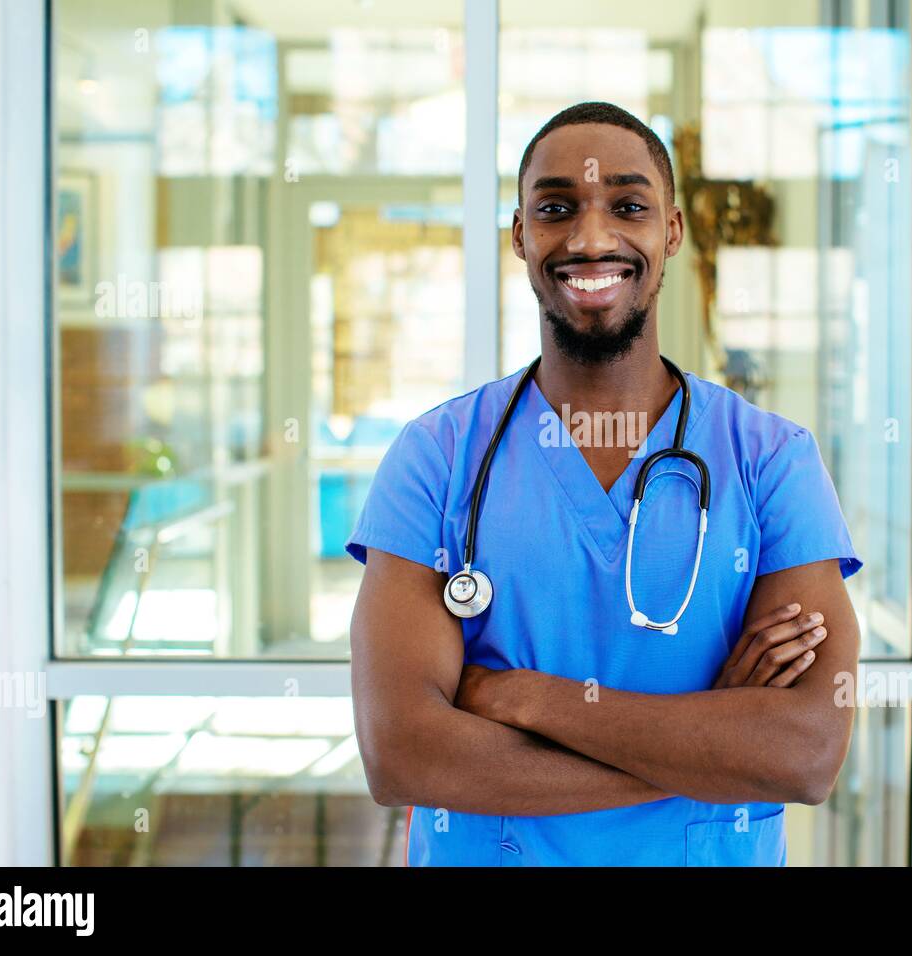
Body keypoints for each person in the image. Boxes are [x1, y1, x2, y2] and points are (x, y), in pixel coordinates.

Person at [347, 101, 862, 866]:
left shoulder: (770, 459)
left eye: (629, 206)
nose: (591, 238)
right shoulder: (437, 457)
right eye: (556, 209)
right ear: (520, 236)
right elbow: (404, 757)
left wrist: (520, 697)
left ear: (673, 232)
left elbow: (805, 755)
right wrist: (705, 744)